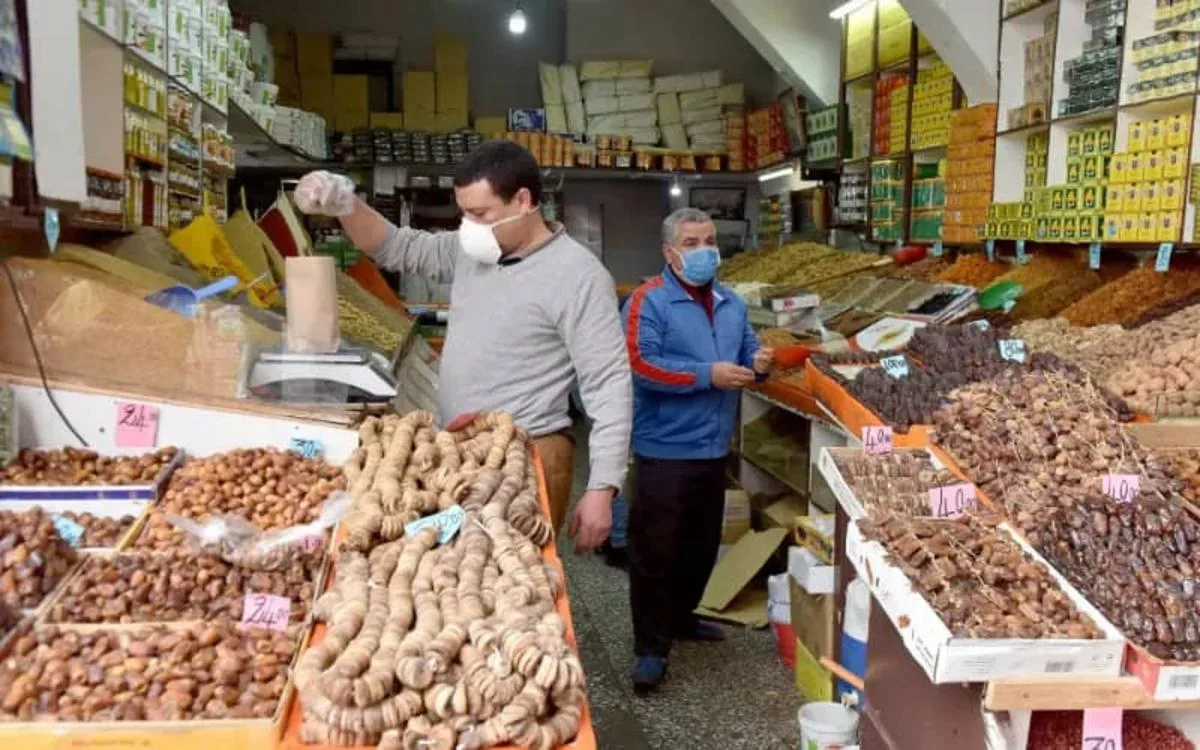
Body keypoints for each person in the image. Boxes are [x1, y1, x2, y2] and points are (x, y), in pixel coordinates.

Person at [293, 141, 631, 551]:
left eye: (481, 214)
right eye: (464, 213)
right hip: (456, 450)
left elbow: (608, 384)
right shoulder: (472, 251)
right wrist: (346, 203)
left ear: (523, 201)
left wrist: (602, 487)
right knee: (449, 566)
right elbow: (395, 246)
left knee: (511, 571)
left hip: (522, 456)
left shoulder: (579, 276)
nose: (469, 225)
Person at [621, 207, 773, 692]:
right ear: (669, 253)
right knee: (656, 551)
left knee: (699, 546)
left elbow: (746, 352)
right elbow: (640, 365)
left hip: (713, 447)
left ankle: (683, 618)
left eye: (709, 241)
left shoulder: (732, 303)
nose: (705, 250)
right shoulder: (649, 300)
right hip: (665, 448)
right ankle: (650, 648)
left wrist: (760, 364)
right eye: (691, 243)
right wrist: (707, 375)